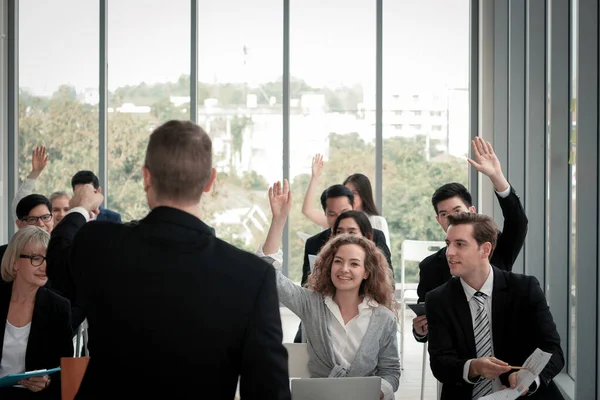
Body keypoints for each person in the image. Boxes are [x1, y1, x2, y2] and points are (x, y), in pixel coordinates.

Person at [47, 120, 290, 399]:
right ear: (210, 181)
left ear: (146, 177)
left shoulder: (99, 243)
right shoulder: (252, 276)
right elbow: (269, 390)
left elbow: (55, 261)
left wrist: (79, 206)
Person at [259, 180, 400, 400]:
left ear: (366, 271)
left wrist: (378, 391)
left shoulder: (383, 317)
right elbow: (269, 274)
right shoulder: (310, 303)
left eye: (354, 264)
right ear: (328, 265)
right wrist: (278, 220)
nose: (344, 269)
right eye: (338, 262)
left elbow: (391, 372)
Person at [425, 213, 564, 399]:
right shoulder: (438, 299)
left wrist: (529, 380)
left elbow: (552, 349)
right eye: (448, 243)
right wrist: (474, 367)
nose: (449, 252)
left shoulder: (524, 289)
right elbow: (440, 364)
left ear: (485, 249)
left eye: (460, 244)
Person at [413, 137, 528, 342]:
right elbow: (428, 327)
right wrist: (420, 331)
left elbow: (517, 222)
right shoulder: (430, 267)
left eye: (457, 210)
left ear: (471, 211)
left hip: (504, 347)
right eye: (444, 214)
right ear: (438, 219)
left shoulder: (494, 248)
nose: (452, 218)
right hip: (459, 359)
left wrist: (497, 177)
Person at [0, 226, 73, 400]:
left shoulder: (58, 307)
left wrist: (47, 381)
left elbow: (65, 368)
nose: (44, 266)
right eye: (36, 258)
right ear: (15, 262)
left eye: (48, 259)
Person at [301, 154, 391, 247]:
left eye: (354, 193)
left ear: (364, 195)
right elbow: (308, 210)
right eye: (346, 191)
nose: (349, 195)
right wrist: (314, 177)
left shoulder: (377, 222)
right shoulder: (336, 218)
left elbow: (385, 257)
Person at [11, 146, 71, 226]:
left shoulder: (78, 234)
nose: (62, 214)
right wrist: (35, 172)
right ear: (49, 213)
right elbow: (20, 205)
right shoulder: (41, 233)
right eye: (56, 210)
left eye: (66, 209)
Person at [1, 195, 55, 266]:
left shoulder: (65, 252)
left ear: (52, 218)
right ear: (19, 224)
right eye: (32, 219)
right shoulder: (4, 255)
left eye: (45, 217)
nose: (41, 224)